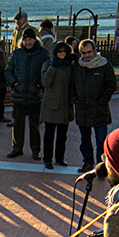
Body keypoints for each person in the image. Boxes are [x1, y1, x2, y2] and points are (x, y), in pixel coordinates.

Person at [72, 38, 117, 171]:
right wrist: (75, 98)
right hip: (82, 109)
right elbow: (71, 84)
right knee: (85, 140)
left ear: (95, 51)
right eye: (83, 53)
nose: (86, 56)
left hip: (99, 110)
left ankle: (102, 166)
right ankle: (88, 162)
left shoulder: (105, 65)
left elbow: (111, 85)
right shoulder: (77, 66)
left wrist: (102, 101)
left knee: (101, 141)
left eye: (89, 52)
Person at [4, 26, 48, 159]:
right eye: (25, 40)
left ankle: (36, 150)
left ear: (35, 40)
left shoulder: (43, 53)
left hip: (35, 96)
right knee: (17, 124)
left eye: (30, 39)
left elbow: (48, 71)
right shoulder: (17, 53)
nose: (27, 42)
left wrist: (40, 84)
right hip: (18, 95)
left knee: (34, 126)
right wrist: (14, 83)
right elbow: (8, 71)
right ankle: (17, 148)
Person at [39, 41, 75, 170]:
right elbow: (45, 82)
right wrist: (53, 67)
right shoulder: (48, 64)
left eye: (64, 51)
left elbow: (73, 83)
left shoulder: (69, 66)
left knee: (62, 135)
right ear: (55, 52)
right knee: (49, 134)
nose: (62, 53)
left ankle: (60, 157)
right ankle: (47, 159)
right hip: (51, 105)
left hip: (65, 104)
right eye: (59, 51)